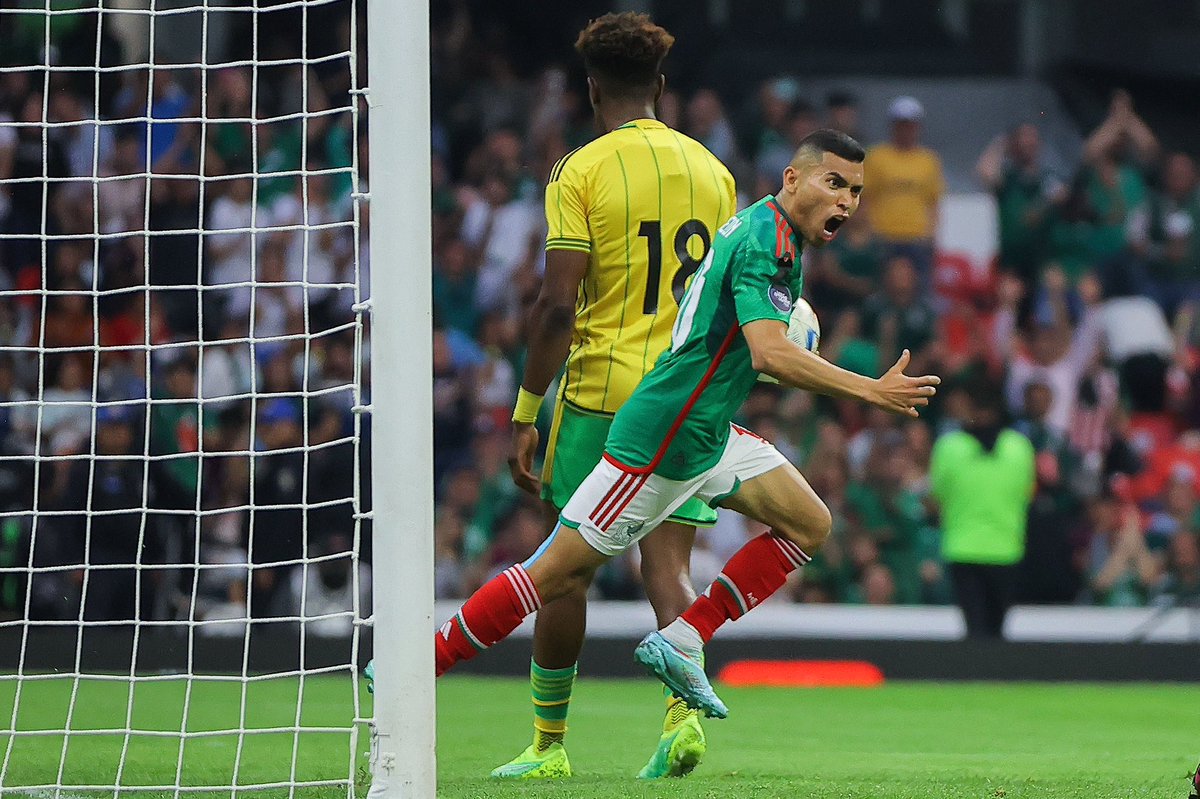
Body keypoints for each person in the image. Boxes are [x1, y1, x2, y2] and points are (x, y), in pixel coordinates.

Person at [433, 129, 940, 722]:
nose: (847, 202)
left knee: (809, 523)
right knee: (551, 574)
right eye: (835, 183)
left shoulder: (771, 231)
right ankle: (421, 664)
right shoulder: (767, 244)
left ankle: (682, 638)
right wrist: (869, 390)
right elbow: (769, 354)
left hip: (707, 431)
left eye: (855, 190)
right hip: (663, 440)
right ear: (792, 179)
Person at [496, 12, 741, 780]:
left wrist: (526, 410)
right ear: (661, 86)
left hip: (602, 395)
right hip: (685, 399)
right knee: (667, 563)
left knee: (564, 566)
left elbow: (557, 306)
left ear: (591, 87)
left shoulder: (581, 171)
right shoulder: (714, 171)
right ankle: (679, 718)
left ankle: (548, 745)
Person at [929, 378, 1035, 638]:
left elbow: (938, 496)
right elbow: (1027, 493)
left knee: (975, 629)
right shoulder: (1019, 447)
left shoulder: (949, 447)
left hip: (963, 548)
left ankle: (975, 675)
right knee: (997, 630)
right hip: (1006, 549)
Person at [863, 96, 944, 288]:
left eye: (910, 125)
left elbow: (933, 202)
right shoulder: (876, 157)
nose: (906, 130)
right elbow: (864, 198)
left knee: (920, 290)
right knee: (881, 288)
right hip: (883, 236)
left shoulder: (929, 161)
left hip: (917, 238)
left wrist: (932, 236)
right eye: (901, 124)